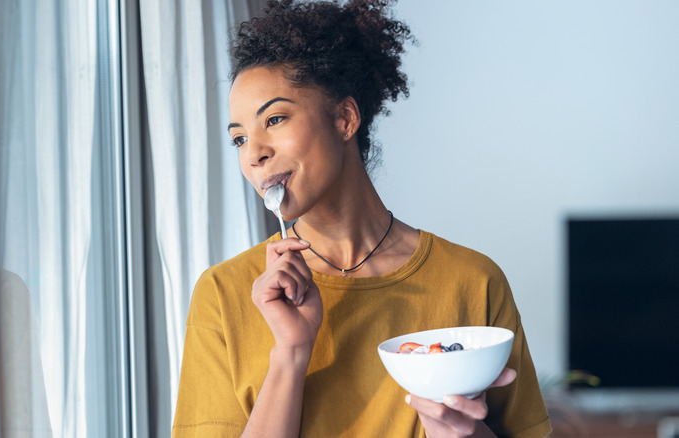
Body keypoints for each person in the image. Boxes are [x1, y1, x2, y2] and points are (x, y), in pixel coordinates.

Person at [172, 0, 551, 437]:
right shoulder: (224, 294)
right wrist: (291, 353)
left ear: (345, 118)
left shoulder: (473, 282)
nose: (253, 154)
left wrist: (462, 433)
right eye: (238, 138)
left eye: (274, 119)